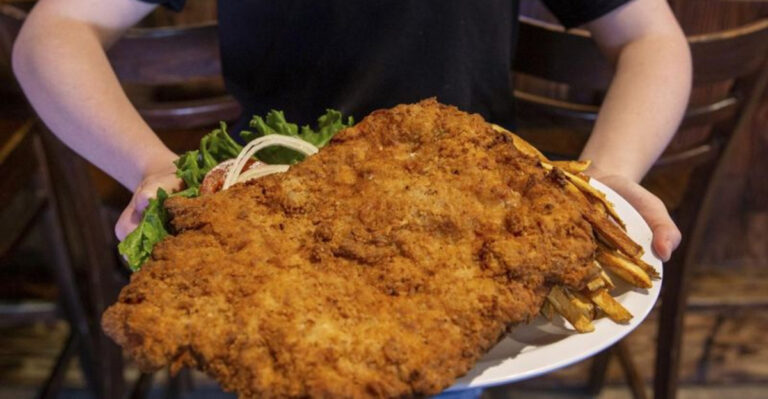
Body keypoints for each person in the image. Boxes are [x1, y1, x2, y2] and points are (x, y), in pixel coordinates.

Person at [13, 1, 685, 270]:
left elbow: (652, 38)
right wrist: (149, 163)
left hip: (473, 234)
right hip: (270, 228)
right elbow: (52, 35)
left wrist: (606, 172)